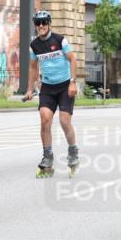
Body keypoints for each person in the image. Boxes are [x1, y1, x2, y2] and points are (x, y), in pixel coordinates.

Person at [22, 10, 79, 174]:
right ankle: (47, 157)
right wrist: (29, 89)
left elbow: (73, 59)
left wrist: (73, 83)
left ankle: (73, 152)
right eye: (38, 23)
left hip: (65, 86)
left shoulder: (60, 40)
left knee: (64, 121)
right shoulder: (34, 45)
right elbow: (33, 67)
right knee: (45, 120)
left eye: (44, 23)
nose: (41, 26)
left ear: (49, 24)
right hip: (47, 87)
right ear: (35, 25)